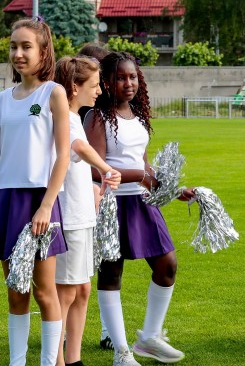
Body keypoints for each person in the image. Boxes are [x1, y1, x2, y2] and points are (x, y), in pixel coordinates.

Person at [84, 52, 194, 366]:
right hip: (110, 203)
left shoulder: (139, 115)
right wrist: (141, 175)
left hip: (142, 202)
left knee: (167, 265)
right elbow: (96, 170)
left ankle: (149, 336)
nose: (128, 83)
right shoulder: (98, 117)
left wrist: (171, 189)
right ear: (106, 82)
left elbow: (143, 165)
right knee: (111, 274)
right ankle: (121, 352)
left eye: (132, 77)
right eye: (120, 77)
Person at [0, 17, 70, 366]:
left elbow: (63, 156)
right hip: (6, 201)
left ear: (44, 51)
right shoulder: (2, 98)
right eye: (14, 46)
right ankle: (16, 362)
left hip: (39, 201)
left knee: (44, 292)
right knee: (16, 292)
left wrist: (46, 206)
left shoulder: (53, 93)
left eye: (26, 46)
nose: (18, 53)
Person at [53, 57, 121, 366]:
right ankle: (54, 360)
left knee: (81, 290)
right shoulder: (64, 118)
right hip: (68, 217)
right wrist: (107, 169)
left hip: (80, 215)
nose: (99, 91)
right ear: (75, 87)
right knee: (65, 294)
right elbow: (78, 148)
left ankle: (73, 359)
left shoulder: (73, 116)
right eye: (94, 86)